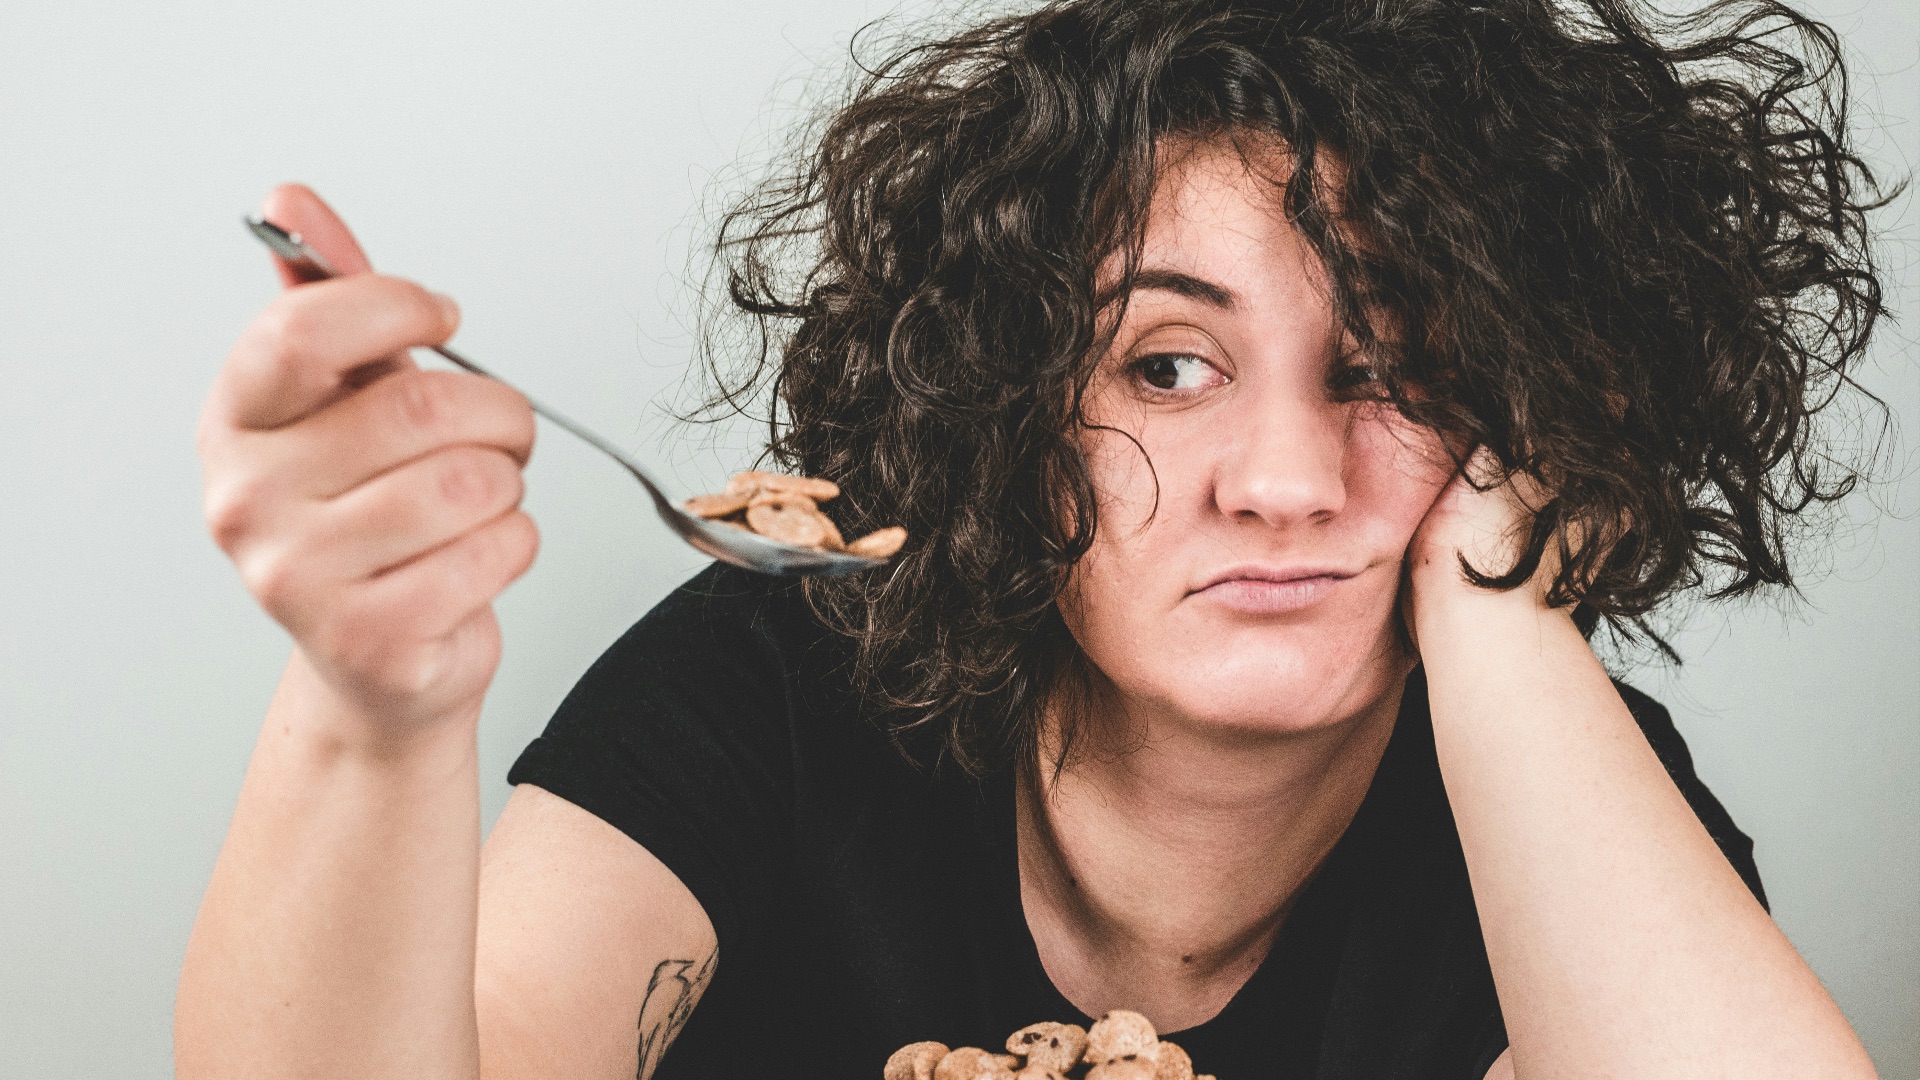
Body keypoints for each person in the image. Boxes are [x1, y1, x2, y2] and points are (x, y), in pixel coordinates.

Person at [174, 0, 1891, 1077]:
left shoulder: (1552, 792)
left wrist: (1512, 607)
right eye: (1167, 364)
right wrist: (370, 710)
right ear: (1006, 399)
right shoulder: (772, 688)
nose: (1286, 479)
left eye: (1393, 369)